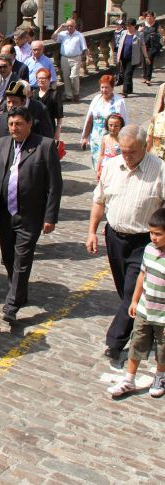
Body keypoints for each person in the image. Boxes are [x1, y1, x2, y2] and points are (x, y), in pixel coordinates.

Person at [86, 125, 165, 361]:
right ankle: (141, 323)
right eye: (123, 151)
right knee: (125, 292)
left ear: (145, 147)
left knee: (133, 291)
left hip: (145, 242)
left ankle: (115, 341)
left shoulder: (159, 170)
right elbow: (99, 201)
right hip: (115, 238)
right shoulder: (112, 166)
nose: (127, 156)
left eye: (132, 152)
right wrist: (92, 231)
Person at [0, 106, 63, 325]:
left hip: (30, 215)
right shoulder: (0, 144)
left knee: (22, 259)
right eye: (11, 124)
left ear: (29, 124)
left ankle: (12, 304)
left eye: (19, 124)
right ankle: (19, 291)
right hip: (5, 214)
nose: (14, 128)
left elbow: (55, 185)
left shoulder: (44, 146)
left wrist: (50, 216)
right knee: (8, 258)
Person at [107, 208, 165, 398]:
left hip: (162, 315)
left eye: (158, 234)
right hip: (144, 309)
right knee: (137, 343)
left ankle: (160, 376)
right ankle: (129, 379)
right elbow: (142, 275)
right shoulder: (148, 250)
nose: (153, 237)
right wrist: (134, 300)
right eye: (151, 233)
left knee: (162, 349)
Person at [81, 75, 128, 169]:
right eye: (102, 87)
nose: (104, 90)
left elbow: (124, 122)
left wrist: (124, 140)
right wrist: (85, 137)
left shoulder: (119, 102)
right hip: (96, 139)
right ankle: (99, 182)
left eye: (107, 87)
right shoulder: (96, 99)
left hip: (112, 139)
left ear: (112, 88)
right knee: (97, 164)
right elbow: (90, 119)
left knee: (109, 165)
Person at [52, 19, 90, 102]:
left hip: (76, 58)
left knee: (74, 77)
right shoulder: (62, 34)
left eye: (71, 26)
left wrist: (88, 58)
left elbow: (85, 48)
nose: (69, 27)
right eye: (68, 26)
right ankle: (68, 95)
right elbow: (53, 37)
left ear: (75, 26)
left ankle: (76, 93)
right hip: (64, 58)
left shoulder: (79, 35)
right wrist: (60, 28)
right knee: (66, 77)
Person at [116, 18, 150, 98]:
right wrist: (117, 57)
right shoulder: (123, 33)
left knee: (128, 73)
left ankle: (124, 91)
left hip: (133, 58)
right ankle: (130, 89)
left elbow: (143, 46)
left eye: (130, 26)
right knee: (126, 74)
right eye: (127, 26)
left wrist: (146, 57)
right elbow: (119, 44)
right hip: (123, 57)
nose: (128, 28)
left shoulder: (139, 34)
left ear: (134, 26)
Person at [32, 68, 64, 142]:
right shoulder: (33, 93)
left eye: (43, 78)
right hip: (34, 128)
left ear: (49, 79)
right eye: (39, 78)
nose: (41, 80)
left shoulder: (54, 94)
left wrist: (58, 130)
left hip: (48, 128)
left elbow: (59, 116)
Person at [96, 113, 124, 181]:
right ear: (107, 125)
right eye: (110, 125)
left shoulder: (122, 140)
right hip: (105, 168)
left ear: (121, 126)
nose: (113, 128)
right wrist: (98, 170)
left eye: (116, 126)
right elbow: (101, 155)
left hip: (117, 169)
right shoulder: (105, 138)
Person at [142, 11, 160, 86]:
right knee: (144, 61)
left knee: (149, 60)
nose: (149, 17)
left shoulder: (156, 25)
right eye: (147, 16)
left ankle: (148, 78)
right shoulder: (143, 24)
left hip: (153, 45)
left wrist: (156, 34)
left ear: (153, 17)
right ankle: (144, 76)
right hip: (144, 45)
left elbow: (160, 34)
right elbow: (140, 34)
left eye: (150, 16)